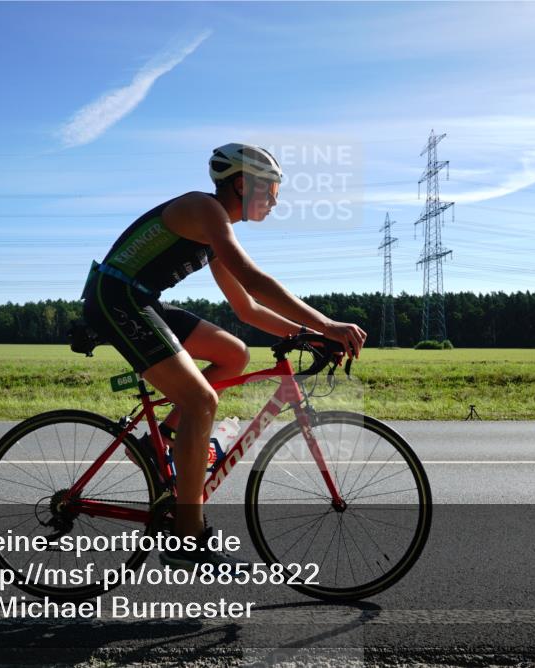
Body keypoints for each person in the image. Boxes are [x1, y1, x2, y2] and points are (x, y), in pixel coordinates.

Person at [82, 143, 366, 567]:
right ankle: (187, 537)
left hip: (140, 299)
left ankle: (166, 442)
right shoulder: (205, 209)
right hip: (115, 297)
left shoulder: (214, 233)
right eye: (270, 189)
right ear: (241, 183)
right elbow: (254, 280)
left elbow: (246, 309)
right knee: (201, 400)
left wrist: (309, 335)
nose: (275, 200)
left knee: (234, 354)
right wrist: (327, 325)